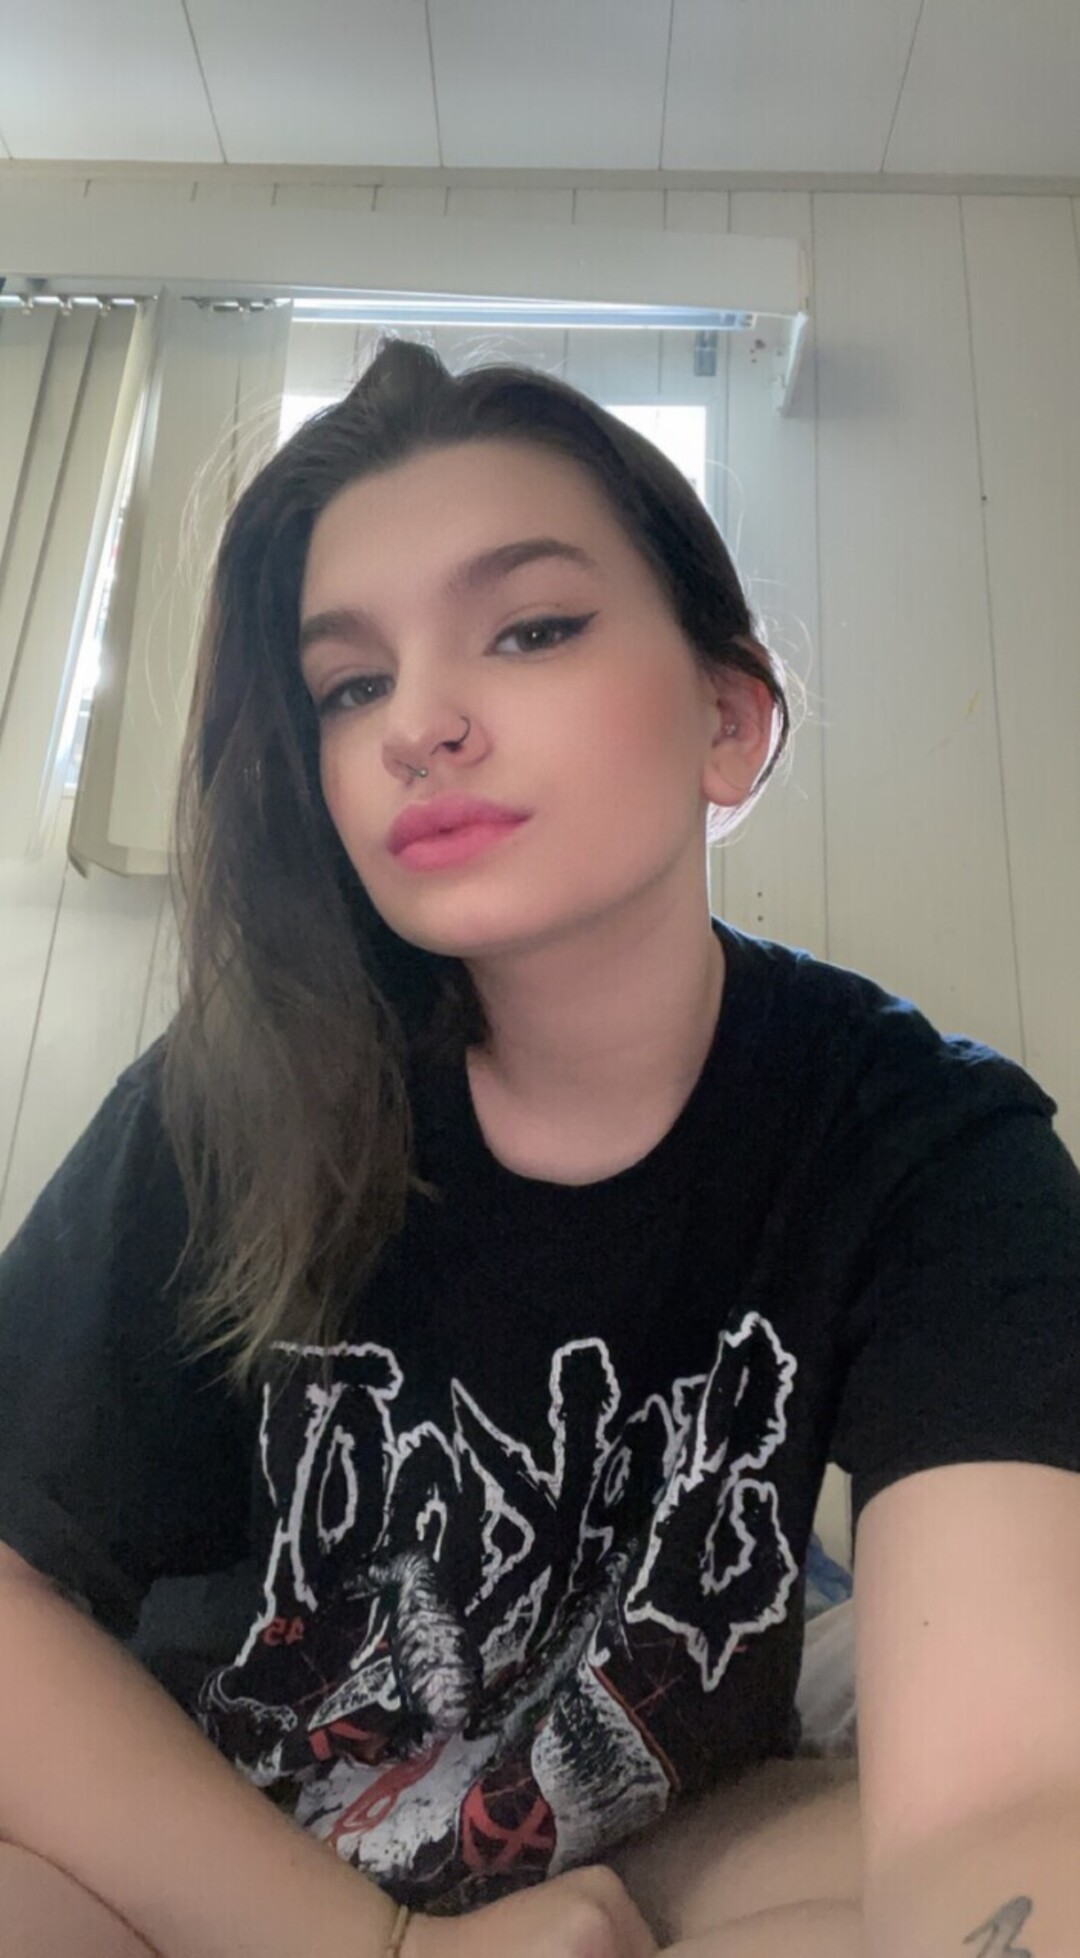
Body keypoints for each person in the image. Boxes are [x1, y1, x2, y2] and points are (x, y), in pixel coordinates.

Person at [0, 334, 1077, 1958]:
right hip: (224, 1846)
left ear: (728, 719)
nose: (417, 724)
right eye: (350, 684)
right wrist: (387, 1949)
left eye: (531, 628)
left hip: (644, 1841)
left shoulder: (927, 1142)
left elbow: (1006, 1798)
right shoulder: (226, 1103)